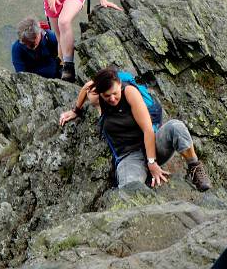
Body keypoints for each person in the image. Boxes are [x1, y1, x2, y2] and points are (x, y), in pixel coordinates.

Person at [59, 67, 212, 192]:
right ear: (100, 93)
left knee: (176, 126)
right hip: (128, 156)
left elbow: (147, 129)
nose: (112, 99)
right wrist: (75, 111)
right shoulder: (96, 97)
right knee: (128, 190)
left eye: (115, 93)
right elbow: (86, 87)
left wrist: (152, 163)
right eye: (107, 96)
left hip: (151, 145)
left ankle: (195, 167)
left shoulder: (130, 92)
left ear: (120, 85)